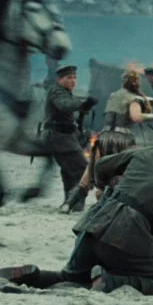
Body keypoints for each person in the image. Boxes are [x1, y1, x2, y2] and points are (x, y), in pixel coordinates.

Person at [0, 135, 153, 297]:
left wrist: (105, 190)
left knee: (71, 277)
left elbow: (101, 165)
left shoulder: (146, 153)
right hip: (128, 237)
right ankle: (108, 281)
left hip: (94, 223)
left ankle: (31, 274)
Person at [41, 65, 95, 212]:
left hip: (63, 137)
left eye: (75, 78)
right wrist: (82, 103)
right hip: (59, 137)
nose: (73, 81)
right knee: (84, 170)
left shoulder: (65, 92)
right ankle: (73, 203)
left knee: (68, 171)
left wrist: (83, 108)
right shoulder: (56, 91)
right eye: (69, 78)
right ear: (60, 79)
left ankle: (70, 203)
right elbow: (64, 105)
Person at [103, 68, 153, 134]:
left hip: (105, 135)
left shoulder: (113, 95)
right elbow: (137, 117)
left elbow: (129, 100)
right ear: (135, 83)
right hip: (121, 137)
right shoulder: (133, 99)